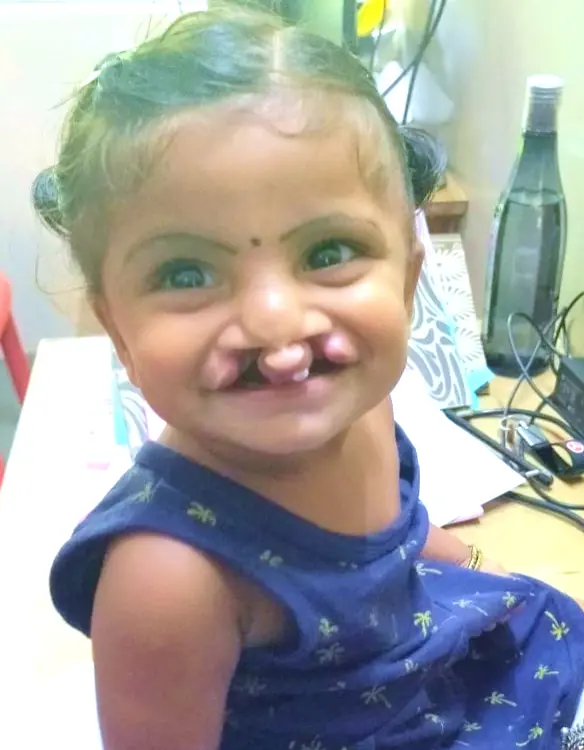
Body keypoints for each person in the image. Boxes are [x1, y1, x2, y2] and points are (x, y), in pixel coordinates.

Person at [33, 7, 584, 750]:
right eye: (186, 273)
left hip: (431, 678)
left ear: (408, 279)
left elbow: (393, 541)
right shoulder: (167, 581)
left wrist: (490, 568)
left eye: (328, 254)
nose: (275, 324)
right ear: (118, 330)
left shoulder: (362, 406)